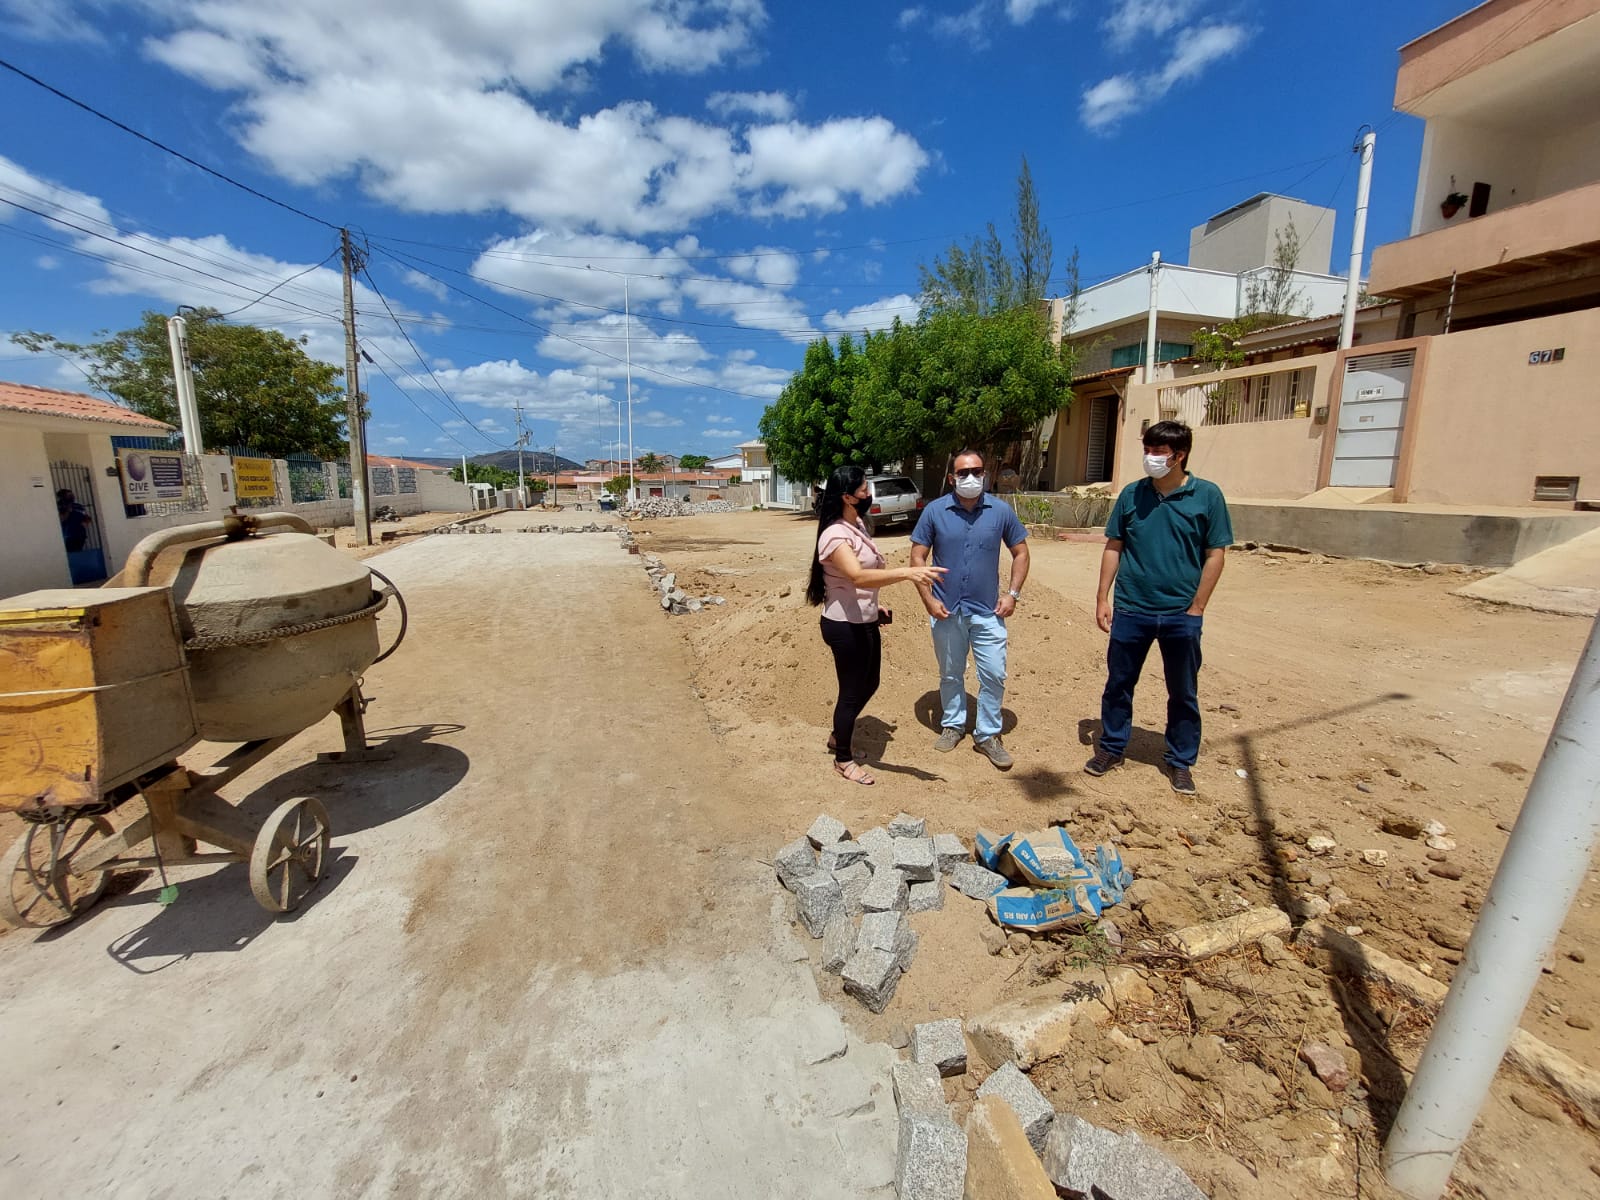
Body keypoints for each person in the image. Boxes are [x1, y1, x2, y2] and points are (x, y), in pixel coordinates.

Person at [1087, 420, 1233, 796]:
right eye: (1147, 450)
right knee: (1119, 684)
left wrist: (1197, 607)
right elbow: (1114, 546)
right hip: (1132, 609)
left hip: (1180, 614)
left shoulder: (1207, 496)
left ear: (1179, 455)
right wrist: (1103, 597)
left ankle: (1181, 761)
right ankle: (1112, 748)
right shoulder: (1132, 495)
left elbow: (1215, 554)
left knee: (1183, 690)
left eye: (1158, 452)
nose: (1150, 458)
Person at [808, 466, 946, 785]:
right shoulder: (834, 534)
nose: (868, 494)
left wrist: (875, 604)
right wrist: (908, 573)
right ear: (846, 497)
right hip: (844, 626)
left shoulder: (855, 524)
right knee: (851, 691)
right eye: (863, 490)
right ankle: (843, 758)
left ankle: (838, 736)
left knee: (870, 683)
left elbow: (857, 582)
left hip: (865, 618)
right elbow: (856, 575)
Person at [909, 449, 1030, 770]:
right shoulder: (935, 512)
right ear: (952, 478)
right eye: (963, 473)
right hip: (946, 611)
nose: (971, 478)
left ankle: (988, 734)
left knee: (993, 674)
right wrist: (928, 599)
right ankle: (953, 724)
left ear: (985, 474)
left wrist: (1013, 594)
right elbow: (917, 558)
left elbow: (1021, 552)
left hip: (988, 611)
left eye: (976, 471)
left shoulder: (1001, 511)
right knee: (950, 674)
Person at [56, 488, 91, 553]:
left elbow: (86, 516)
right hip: (69, 535)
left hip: (80, 535)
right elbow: (62, 519)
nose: (72, 496)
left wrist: (86, 521)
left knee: (78, 552)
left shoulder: (78, 505)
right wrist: (68, 510)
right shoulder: (59, 506)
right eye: (69, 495)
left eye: (72, 494)